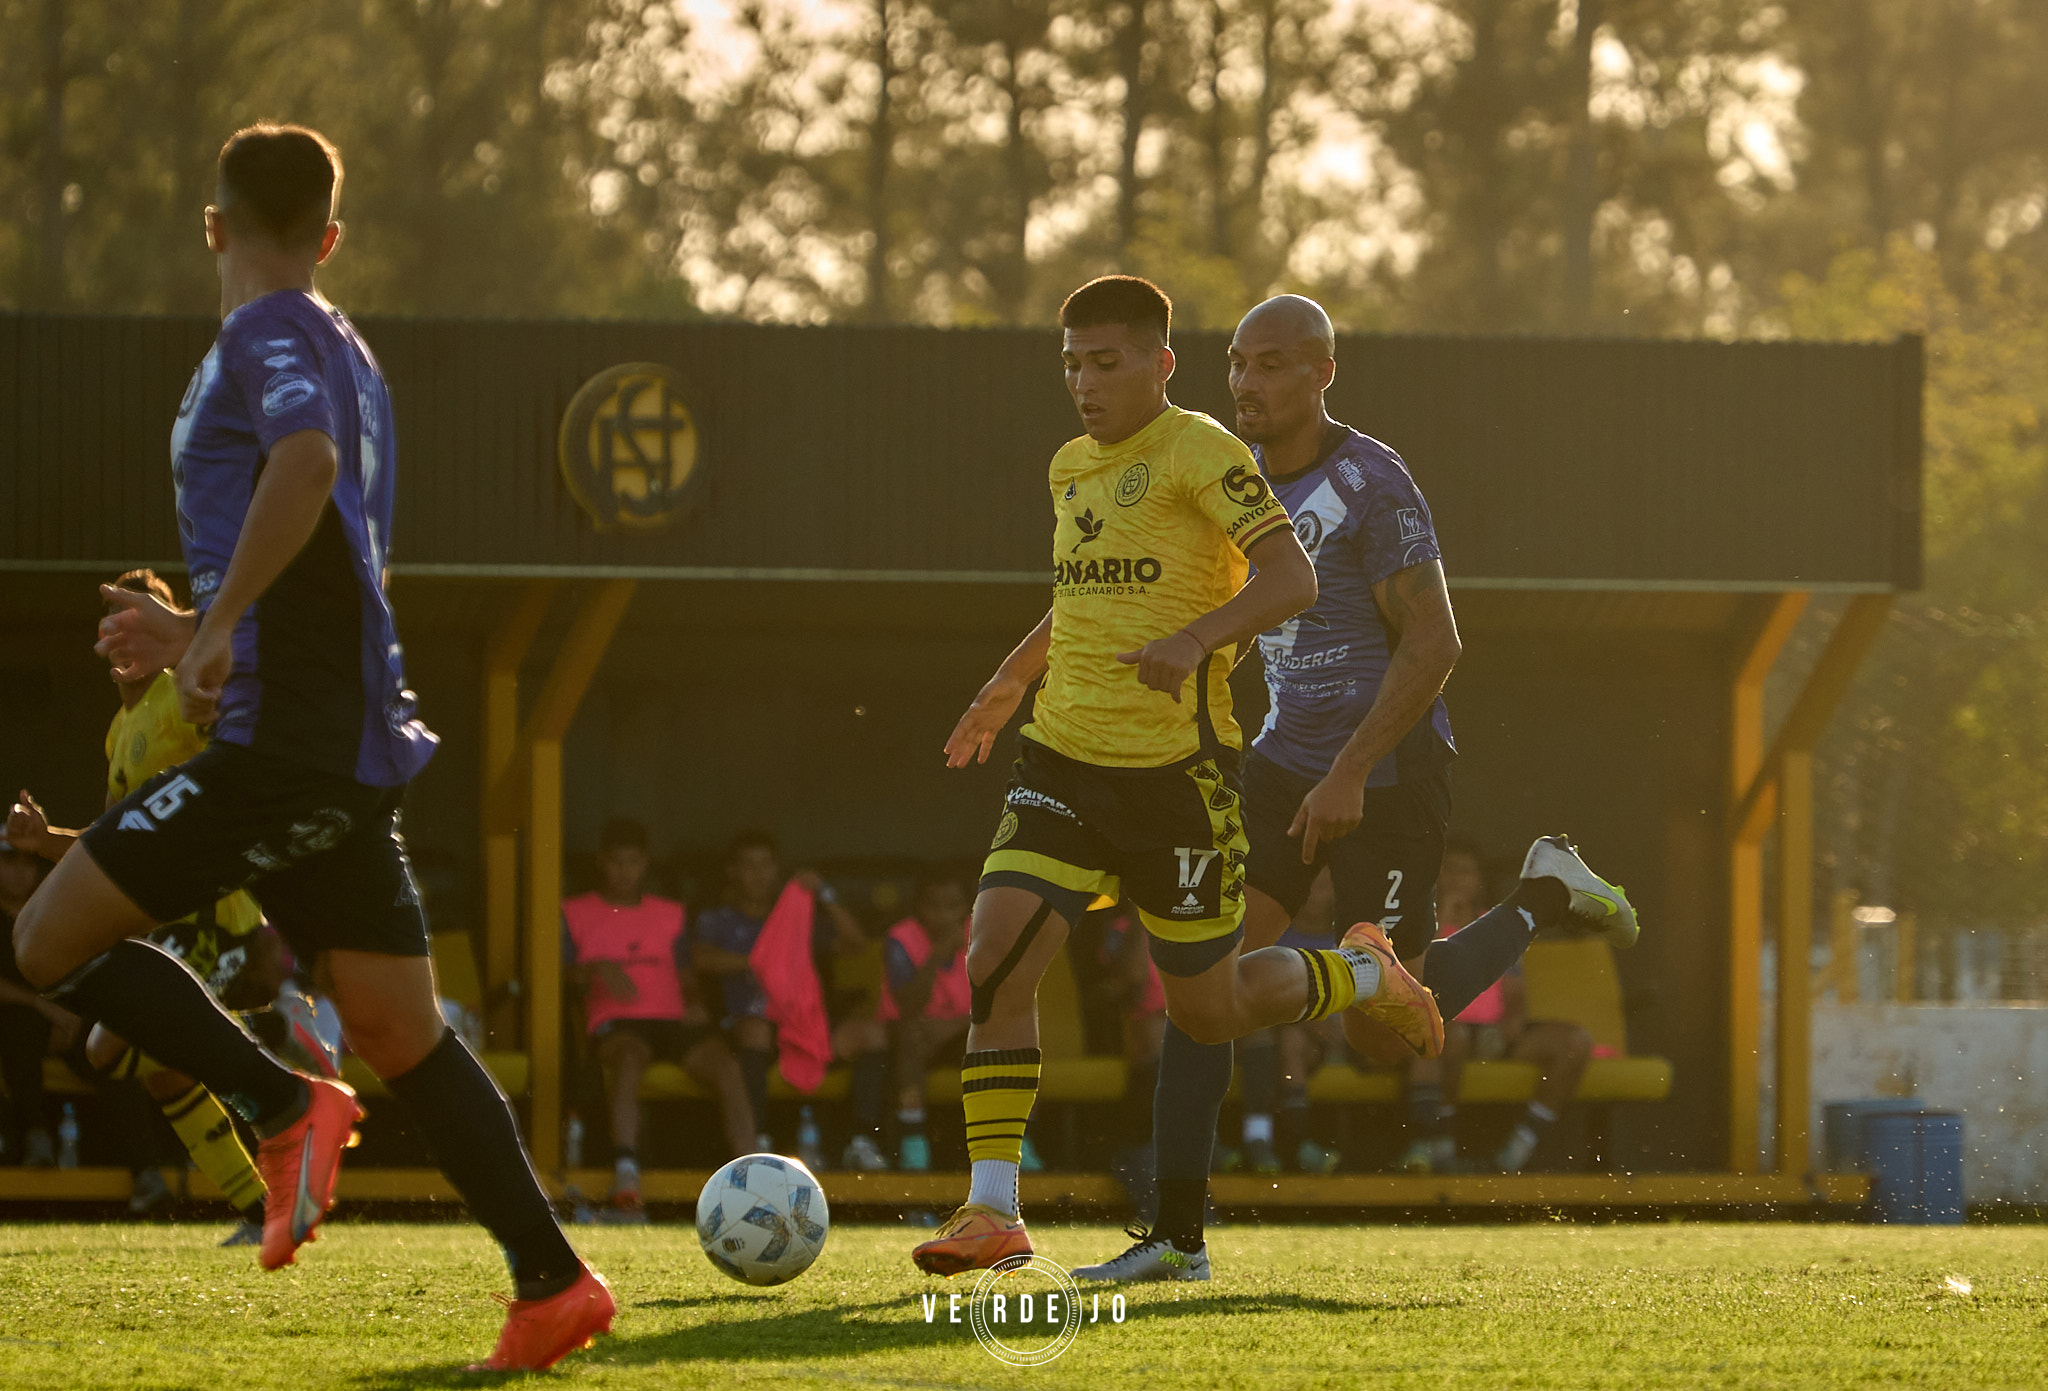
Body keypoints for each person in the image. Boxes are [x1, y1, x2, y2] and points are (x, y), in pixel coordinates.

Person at [6, 125, 610, 1371]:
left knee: (46, 936)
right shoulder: (346, 342)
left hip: (290, 731)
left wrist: (217, 629)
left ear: (212, 223)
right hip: (333, 722)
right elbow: (325, 529)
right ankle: (552, 1279)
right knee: (402, 1030)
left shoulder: (265, 330)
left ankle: (283, 1105)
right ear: (331, 235)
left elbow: (308, 463)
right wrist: (196, 626)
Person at [1077, 294, 1641, 1283]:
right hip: (1277, 764)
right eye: (1238, 365)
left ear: (1321, 373)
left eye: (1273, 365)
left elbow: (1435, 642)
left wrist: (1348, 772)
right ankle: (1175, 1236)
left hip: (1390, 777)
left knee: (1385, 1043)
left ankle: (1541, 896)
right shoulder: (1227, 475)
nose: (1247, 383)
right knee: (1200, 985)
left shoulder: (1370, 482)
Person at [914, 275, 1443, 1278]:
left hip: (1177, 778)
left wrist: (1196, 637)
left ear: (1160, 362)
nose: (1084, 383)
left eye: (1104, 362)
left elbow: (1292, 578)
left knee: (1208, 1010)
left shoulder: (1205, 452)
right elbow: (1082, 594)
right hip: (1061, 759)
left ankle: (1365, 970)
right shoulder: (1069, 466)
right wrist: (1007, 677)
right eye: (1070, 364)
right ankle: (993, 1209)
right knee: (993, 961)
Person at [9, 568, 279, 1243]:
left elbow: (231, 767)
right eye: (108, 630)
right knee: (136, 1061)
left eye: (132, 624)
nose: (117, 641)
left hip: (214, 911)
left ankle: (283, 1095)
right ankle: (261, 1202)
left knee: (126, 1049)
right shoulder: (119, 728)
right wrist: (43, 842)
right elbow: (110, 845)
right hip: (164, 918)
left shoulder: (181, 693)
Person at [562, 818, 753, 1208]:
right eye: (616, 862)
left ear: (646, 863)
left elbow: (686, 974)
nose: (624, 872)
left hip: (673, 1019)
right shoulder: (575, 911)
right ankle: (627, 1170)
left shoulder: (670, 913)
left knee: (726, 1066)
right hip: (619, 1023)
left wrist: (696, 1001)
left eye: (632, 862)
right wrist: (597, 966)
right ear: (601, 862)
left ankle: (750, 1177)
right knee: (629, 1060)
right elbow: (560, 974)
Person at [692, 830, 891, 1169]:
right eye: (748, 866)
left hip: (804, 1028)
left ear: (777, 869)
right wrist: (763, 963)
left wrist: (824, 895)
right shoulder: (717, 920)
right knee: (756, 1028)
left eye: (765, 865)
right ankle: (759, 1138)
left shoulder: (796, 916)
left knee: (872, 1033)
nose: (758, 874)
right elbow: (700, 958)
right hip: (747, 1033)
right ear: (732, 871)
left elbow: (856, 944)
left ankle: (861, 1141)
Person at [1412, 839, 1596, 1173]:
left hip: (1492, 1034)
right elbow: (1412, 976)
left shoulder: (1494, 925)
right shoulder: (1418, 922)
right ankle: (1440, 1145)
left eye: (1465, 872)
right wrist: (1441, 920)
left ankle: (1520, 1147)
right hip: (1441, 1032)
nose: (1455, 879)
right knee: (1451, 1035)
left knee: (1574, 1043)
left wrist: (1513, 1018)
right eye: (1448, 870)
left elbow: (1514, 990)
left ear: (1478, 880)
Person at [877, 867, 974, 1171]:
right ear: (919, 908)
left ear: (966, 908)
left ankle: (1018, 1142)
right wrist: (936, 955)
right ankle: (913, 1139)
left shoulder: (984, 932)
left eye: (953, 906)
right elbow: (909, 1005)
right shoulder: (901, 937)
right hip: (916, 1035)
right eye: (933, 906)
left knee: (1006, 1038)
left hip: (965, 1033)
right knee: (910, 1035)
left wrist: (953, 1027)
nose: (943, 915)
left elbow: (1003, 1002)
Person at [0, 836, 69, 1167]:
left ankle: (147, 1167)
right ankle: (35, 1137)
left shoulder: (51, 911)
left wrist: (67, 1016)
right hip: (15, 1026)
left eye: (26, 864)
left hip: (58, 1024)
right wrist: (41, 1007)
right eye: (8, 863)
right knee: (20, 1029)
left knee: (106, 1042)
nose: (18, 873)